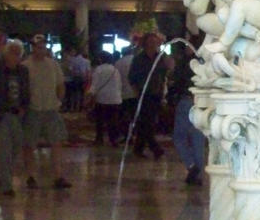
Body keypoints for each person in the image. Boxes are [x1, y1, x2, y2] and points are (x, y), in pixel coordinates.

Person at [22, 34, 72, 189]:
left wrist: (59, 102)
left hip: (51, 109)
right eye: (38, 47)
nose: (41, 49)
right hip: (33, 110)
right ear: (32, 48)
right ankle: (30, 175)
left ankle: (58, 175)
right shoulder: (25, 66)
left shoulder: (53, 65)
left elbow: (60, 84)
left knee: (57, 142)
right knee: (29, 144)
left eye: (43, 46)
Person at [0, 39, 30, 196]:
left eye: (18, 53)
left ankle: (1, 174)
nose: (15, 56)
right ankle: (6, 184)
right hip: (1, 114)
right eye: (12, 53)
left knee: (16, 146)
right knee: (4, 150)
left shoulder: (23, 71)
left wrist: (24, 107)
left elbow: (26, 90)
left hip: (17, 114)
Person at [168, 43, 206, 186]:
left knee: (179, 137)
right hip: (201, 103)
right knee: (198, 139)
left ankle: (192, 165)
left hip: (187, 101)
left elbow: (176, 81)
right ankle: (198, 172)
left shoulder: (186, 63)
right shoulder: (206, 63)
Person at [128, 31, 169, 159]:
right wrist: (137, 91)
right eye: (150, 42)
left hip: (156, 93)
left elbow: (164, 75)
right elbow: (132, 77)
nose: (153, 44)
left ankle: (138, 148)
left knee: (146, 123)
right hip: (143, 94)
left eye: (155, 42)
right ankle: (154, 147)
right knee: (147, 122)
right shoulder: (139, 59)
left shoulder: (160, 57)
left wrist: (163, 92)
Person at [88, 53, 122, 146]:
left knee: (100, 121)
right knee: (113, 120)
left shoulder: (99, 70)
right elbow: (119, 84)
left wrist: (90, 95)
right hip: (115, 98)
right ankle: (113, 139)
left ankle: (99, 139)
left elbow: (94, 85)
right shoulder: (115, 70)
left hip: (102, 99)